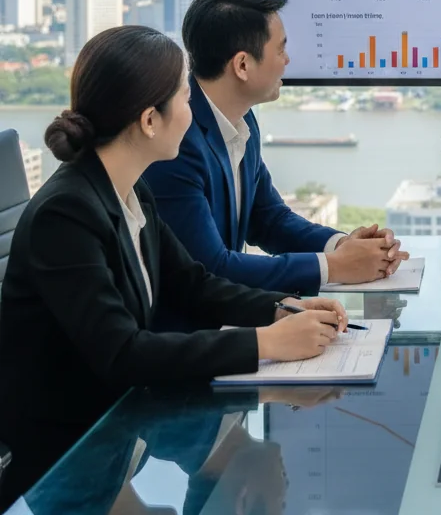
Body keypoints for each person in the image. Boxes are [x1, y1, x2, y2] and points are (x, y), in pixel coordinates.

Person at [0, 26, 348, 505]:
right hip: (68, 457)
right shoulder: (67, 214)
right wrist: (267, 344)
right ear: (149, 120)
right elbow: (123, 354)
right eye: (185, 99)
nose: (192, 114)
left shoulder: (131, 190)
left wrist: (283, 307)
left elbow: (193, 285)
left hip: (121, 439)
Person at [144, 0, 408, 299]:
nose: (287, 60)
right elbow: (210, 268)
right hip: (188, 335)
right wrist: (334, 267)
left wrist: (342, 245)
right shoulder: (177, 142)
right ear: (242, 65)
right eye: (280, 49)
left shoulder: (242, 120)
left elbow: (268, 219)